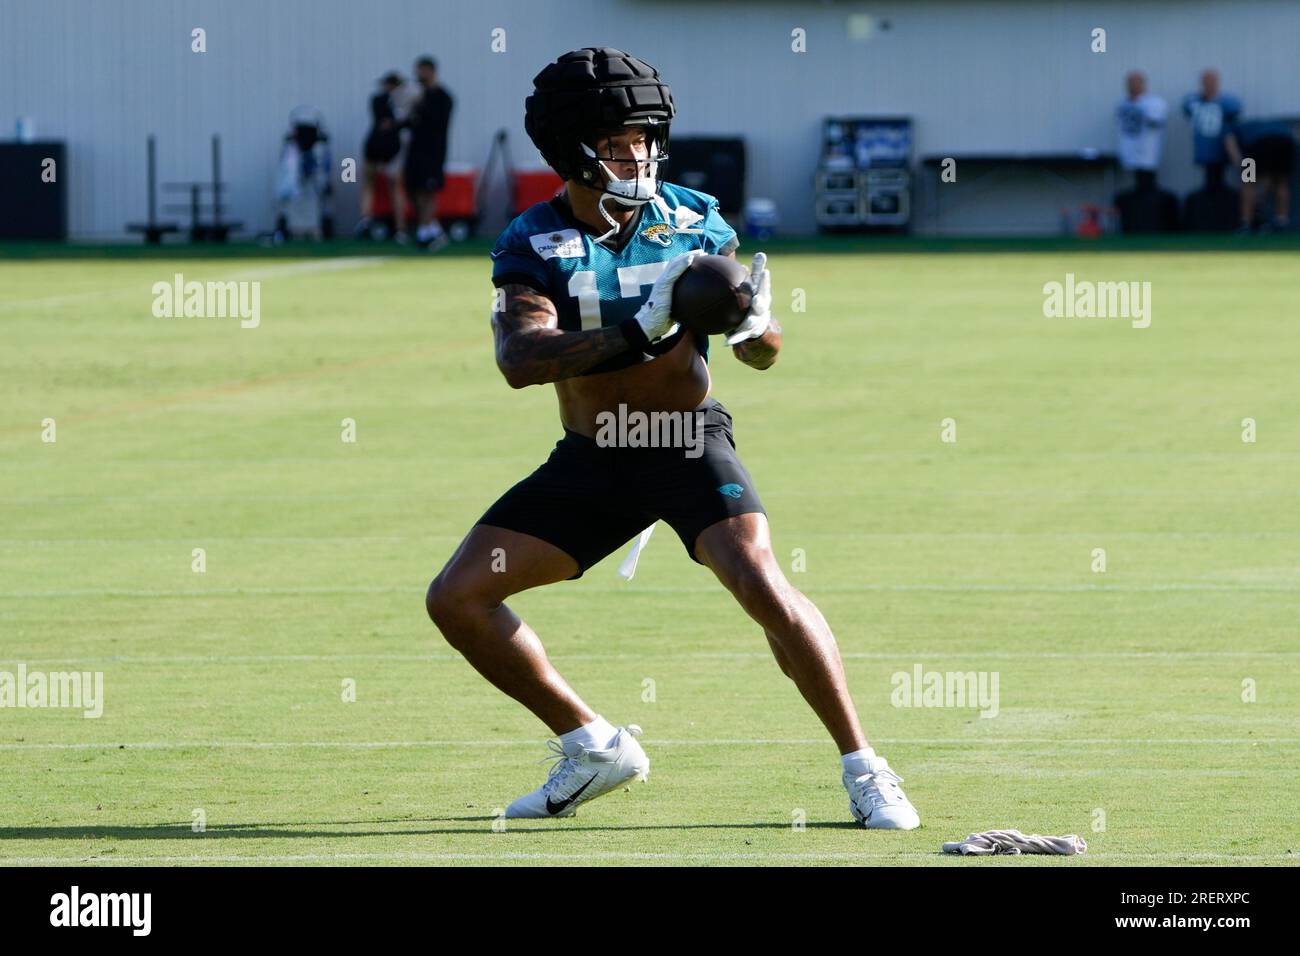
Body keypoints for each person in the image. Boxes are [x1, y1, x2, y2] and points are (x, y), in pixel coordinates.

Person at [425, 47, 921, 830]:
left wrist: (757, 323)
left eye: (646, 138)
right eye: (619, 142)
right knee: (458, 598)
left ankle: (866, 768)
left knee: (759, 581)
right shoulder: (536, 238)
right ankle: (593, 746)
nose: (640, 155)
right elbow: (519, 359)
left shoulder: (694, 217)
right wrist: (638, 331)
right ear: (574, 150)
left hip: (687, 440)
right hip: (595, 456)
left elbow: (763, 351)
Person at [403, 55, 453, 251]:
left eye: (422, 70)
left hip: (433, 151)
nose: (419, 75)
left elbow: (436, 122)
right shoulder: (416, 96)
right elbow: (408, 121)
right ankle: (434, 230)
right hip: (415, 150)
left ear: (432, 71)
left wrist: (420, 106)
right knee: (413, 189)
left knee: (427, 191)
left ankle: (424, 232)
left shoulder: (442, 97)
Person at [354, 71, 409, 241]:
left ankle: (397, 227)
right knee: (377, 184)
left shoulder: (392, 102)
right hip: (381, 146)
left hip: (388, 147)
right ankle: (368, 221)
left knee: (390, 186)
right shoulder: (386, 101)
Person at [1225, 119, 1295, 232]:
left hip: (1256, 144)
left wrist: (1240, 165)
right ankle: (1282, 221)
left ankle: (1246, 223)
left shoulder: (1232, 129)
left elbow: (1230, 145)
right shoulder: (1275, 124)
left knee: (1248, 183)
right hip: (1285, 142)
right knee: (1281, 182)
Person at [1182, 69, 1241, 190]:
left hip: (1252, 159)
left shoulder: (1228, 103)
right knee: (1253, 180)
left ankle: (1253, 200)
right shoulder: (1194, 101)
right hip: (1258, 160)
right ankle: (1253, 201)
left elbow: (1235, 108)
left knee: (1250, 179)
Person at [1115, 70, 1168, 192]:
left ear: (1143, 84)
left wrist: (1141, 112)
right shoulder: (1122, 103)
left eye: (1136, 83)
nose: (1132, 86)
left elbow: (1156, 123)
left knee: (1147, 183)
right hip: (1130, 149)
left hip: (1147, 151)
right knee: (1135, 184)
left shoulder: (1154, 103)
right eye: (1130, 83)